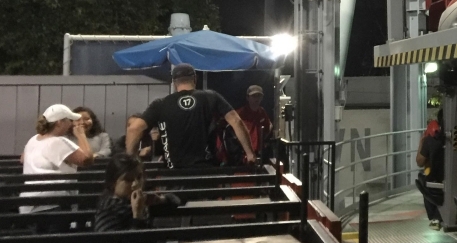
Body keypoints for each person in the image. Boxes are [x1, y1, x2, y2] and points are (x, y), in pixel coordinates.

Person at [125, 64, 256, 168]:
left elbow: (134, 129)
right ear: (195, 79)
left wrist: (130, 163)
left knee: (174, 201)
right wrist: (250, 154)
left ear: (175, 82)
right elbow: (236, 121)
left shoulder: (160, 104)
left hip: (173, 172)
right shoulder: (211, 97)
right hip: (205, 172)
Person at [21, 104, 94, 214]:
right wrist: (81, 135)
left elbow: (22, 159)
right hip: (53, 202)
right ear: (59, 123)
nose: (71, 124)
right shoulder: (58, 142)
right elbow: (87, 160)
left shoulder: (33, 139)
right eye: (69, 120)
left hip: (28, 201)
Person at [229, 85, 273, 164]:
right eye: (253, 96)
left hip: (258, 154)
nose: (257, 98)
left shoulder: (262, 112)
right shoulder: (239, 114)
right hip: (242, 154)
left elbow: (268, 126)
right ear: (247, 98)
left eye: (259, 96)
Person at [416, 116, 446, 229]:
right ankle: (438, 216)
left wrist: (421, 142)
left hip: (436, 179)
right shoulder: (456, 139)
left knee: (423, 181)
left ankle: (435, 216)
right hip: (456, 178)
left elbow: (419, 161)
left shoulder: (429, 140)